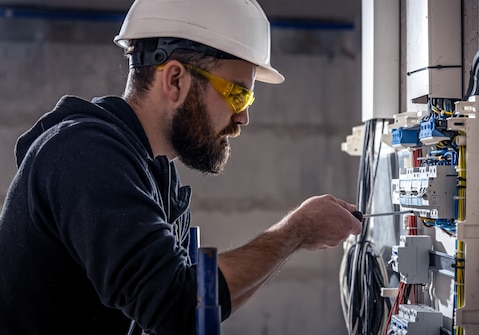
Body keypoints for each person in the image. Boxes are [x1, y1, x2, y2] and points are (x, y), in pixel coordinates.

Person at [0, 0, 362, 334]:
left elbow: (183, 312)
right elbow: (178, 303)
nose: (243, 116)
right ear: (175, 79)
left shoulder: (152, 176)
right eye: (237, 93)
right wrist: (294, 232)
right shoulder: (83, 155)